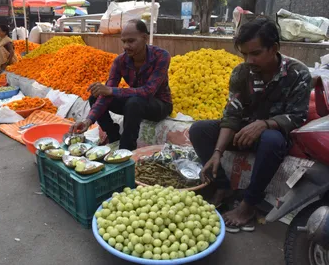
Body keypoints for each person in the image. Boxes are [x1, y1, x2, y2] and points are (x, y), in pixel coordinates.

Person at [189, 17, 312, 231]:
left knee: (271, 139)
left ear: (273, 48)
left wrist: (265, 124)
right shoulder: (241, 72)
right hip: (242, 134)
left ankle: (249, 204)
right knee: (199, 130)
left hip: (273, 138)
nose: (248, 60)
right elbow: (232, 113)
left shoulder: (297, 73)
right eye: (244, 54)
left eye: (255, 53)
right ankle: (223, 188)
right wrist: (218, 151)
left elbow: (298, 116)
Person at [70, 19, 173, 151]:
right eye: (123, 41)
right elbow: (107, 92)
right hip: (135, 103)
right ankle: (113, 136)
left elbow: (148, 91)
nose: (126, 46)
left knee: (134, 102)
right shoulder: (120, 61)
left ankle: (126, 150)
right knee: (95, 97)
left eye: (131, 41)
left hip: (159, 105)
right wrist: (88, 121)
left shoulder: (161, 56)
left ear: (145, 38)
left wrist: (111, 91)